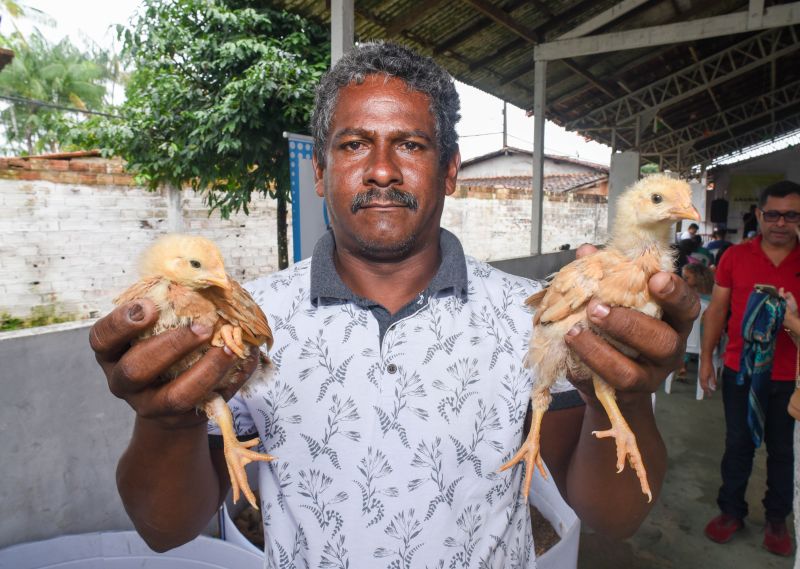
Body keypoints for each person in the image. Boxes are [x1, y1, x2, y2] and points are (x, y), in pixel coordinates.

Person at [89, 42, 696, 567]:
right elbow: (165, 530)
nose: (381, 170)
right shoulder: (253, 322)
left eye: (409, 144)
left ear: (451, 170)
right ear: (321, 172)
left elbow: (613, 518)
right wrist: (165, 422)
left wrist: (627, 399)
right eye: (354, 145)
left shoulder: (533, 315)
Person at [699, 181, 800, 557]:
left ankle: (777, 518)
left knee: (783, 451)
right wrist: (706, 358)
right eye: (772, 214)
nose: (780, 223)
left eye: (791, 215)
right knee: (738, 444)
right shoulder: (735, 257)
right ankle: (731, 512)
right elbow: (717, 311)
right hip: (740, 370)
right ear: (759, 215)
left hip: (791, 377)